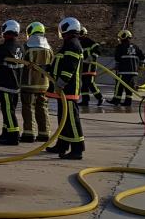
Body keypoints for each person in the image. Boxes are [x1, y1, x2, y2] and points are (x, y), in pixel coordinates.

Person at [46, 17, 85, 159]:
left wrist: (60, 83)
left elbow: (69, 68)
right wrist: (46, 68)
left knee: (72, 120)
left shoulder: (73, 45)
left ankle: (77, 149)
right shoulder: (68, 44)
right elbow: (60, 64)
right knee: (64, 119)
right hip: (63, 90)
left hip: (68, 89)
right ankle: (62, 145)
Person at [0, 19, 24, 145]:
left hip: (5, 85)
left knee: (8, 111)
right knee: (10, 110)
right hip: (16, 85)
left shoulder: (2, 48)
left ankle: (13, 136)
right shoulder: (21, 47)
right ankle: (6, 133)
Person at [19, 21, 53, 143]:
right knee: (43, 108)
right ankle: (44, 133)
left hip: (28, 84)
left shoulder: (27, 47)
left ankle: (29, 134)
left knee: (28, 108)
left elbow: (20, 62)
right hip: (44, 84)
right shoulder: (49, 47)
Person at [109, 29, 145, 107]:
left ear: (123, 37)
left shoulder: (120, 47)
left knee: (119, 86)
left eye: (120, 38)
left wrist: (117, 66)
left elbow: (117, 58)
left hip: (123, 71)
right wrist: (141, 65)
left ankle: (116, 100)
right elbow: (142, 56)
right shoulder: (136, 47)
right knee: (129, 87)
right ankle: (128, 102)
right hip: (133, 72)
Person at [78, 26, 105, 107]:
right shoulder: (79, 42)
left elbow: (98, 48)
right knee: (84, 85)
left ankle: (100, 98)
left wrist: (92, 57)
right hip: (83, 66)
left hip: (90, 66)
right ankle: (85, 101)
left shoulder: (88, 41)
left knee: (90, 83)